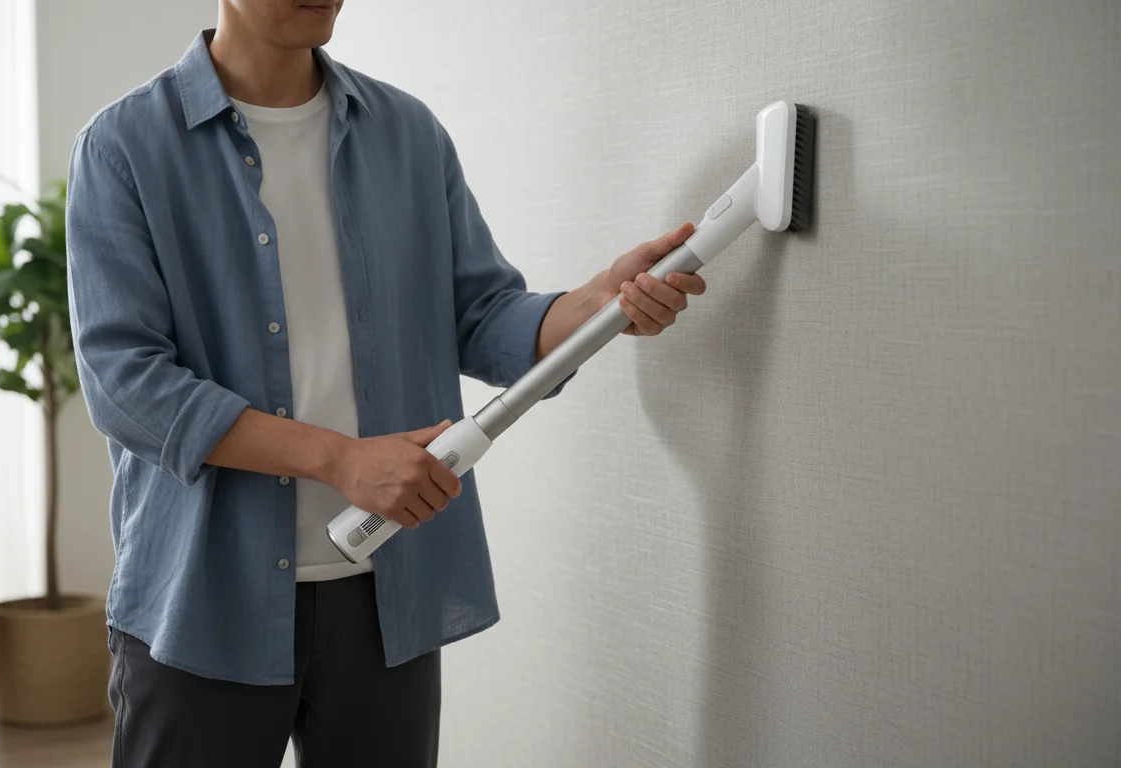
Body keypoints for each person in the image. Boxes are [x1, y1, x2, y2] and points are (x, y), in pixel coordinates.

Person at [66, 1, 706, 765]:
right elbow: (127, 384)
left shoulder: (407, 134)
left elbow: (481, 317)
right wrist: (338, 459)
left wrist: (597, 304)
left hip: (385, 593)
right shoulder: (124, 146)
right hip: (204, 599)